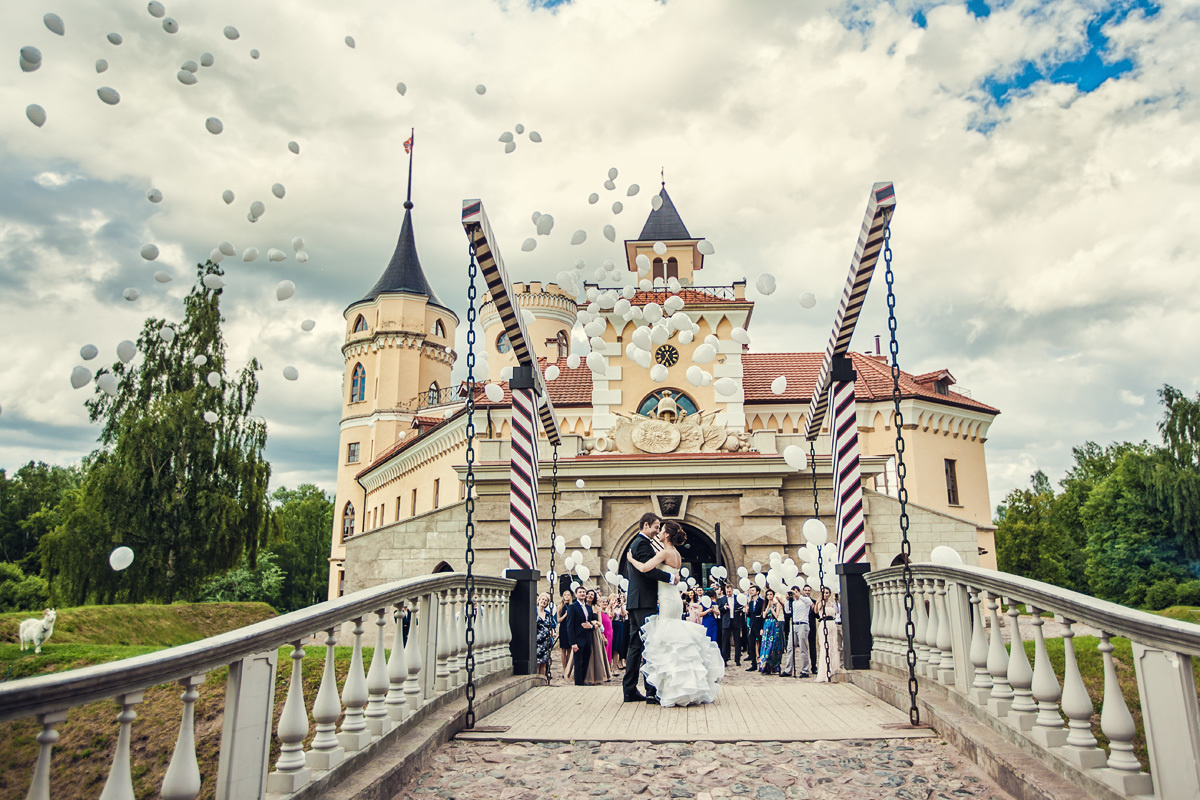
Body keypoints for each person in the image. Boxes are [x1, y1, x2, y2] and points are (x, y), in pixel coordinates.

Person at [626, 520, 724, 707]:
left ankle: (670, 688)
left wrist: (631, 560)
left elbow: (646, 568)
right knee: (676, 643)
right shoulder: (677, 554)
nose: (659, 532)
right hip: (674, 600)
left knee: (664, 643)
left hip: (667, 602)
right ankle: (680, 685)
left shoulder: (664, 552)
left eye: (661, 530)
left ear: (667, 535)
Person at [621, 512, 677, 704]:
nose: (656, 530)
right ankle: (651, 691)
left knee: (636, 646)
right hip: (644, 602)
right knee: (650, 645)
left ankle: (630, 690)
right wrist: (670, 578)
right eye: (655, 526)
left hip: (637, 601)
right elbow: (648, 570)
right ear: (646, 525)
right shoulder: (642, 544)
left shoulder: (637, 543)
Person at [565, 586, 596, 686]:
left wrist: (590, 626)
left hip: (587, 638)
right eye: (580, 592)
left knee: (586, 659)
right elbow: (570, 626)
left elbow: (590, 623)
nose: (582, 594)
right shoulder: (572, 607)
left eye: (584, 592)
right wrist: (573, 642)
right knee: (578, 661)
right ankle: (578, 683)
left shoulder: (588, 608)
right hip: (578, 638)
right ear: (576, 594)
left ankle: (583, 680)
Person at [780, 586, 812, 678]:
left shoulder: (804, 600)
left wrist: (799, 596)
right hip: (794, 624)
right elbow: (787, 611)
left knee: (803, 648)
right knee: (790, 647)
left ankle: (805, 670)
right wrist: (787, 600)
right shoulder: (792, 602)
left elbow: (809, 603)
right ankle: (788, 669)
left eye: (796, 592)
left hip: (803, 624)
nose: (794, 594)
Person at [814, 586, 842, 683]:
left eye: (827, 593)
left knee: (833, 646)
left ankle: (834, 668)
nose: (826, 594)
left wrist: (836, 600)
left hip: (832, 625)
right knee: (825, 647)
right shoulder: (822, 603)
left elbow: (838, 612)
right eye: (824, 592)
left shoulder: (832, 604)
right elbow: (816, 611)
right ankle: (825, 671)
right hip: (824, 624)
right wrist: (819, 601)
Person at [585, 589, 611, 685]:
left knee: (596, 654)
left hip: (595, 633)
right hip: (585, 632)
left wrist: (596, 623)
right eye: (588, 594)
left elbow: (600, 622)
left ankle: (596, 676)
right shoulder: (583, 607)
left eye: (592, 595)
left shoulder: (597, 609)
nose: (590, 596)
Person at [758, 588, 786, 675]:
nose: (769, 596)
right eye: (768, 595)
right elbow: (764, 615)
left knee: (774, 644)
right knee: (766, 645)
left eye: (771, 594)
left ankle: (774, 665)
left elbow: (776, 615)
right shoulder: (765, 604)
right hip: (767, 625)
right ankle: (764, 665)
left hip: (774, 624)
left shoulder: (776, 604)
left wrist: (771, 607)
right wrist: (767, 607)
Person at [535, 592, 556, 679]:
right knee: (537, 663)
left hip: (545, 641)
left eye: (546, 600)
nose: (544, 601)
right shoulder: (534, 612)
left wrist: (553, 632)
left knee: (544, 662)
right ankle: (536, 680)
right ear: (539, 600)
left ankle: (542, 681)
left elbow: (552, 626)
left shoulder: (548, 614)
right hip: (536, 641)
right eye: (542, 599)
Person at [716, 585, 739, 665]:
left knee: (737, 641)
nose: (728, 593)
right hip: (726, 622)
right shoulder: (722, 599)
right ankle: (725, 659)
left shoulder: (737, 598)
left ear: (732, 590)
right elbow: (719, 610)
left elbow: (740, 608)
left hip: (735, 621)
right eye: (727, 591)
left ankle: (737, 659)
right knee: (725, 641)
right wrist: (724, 608)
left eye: (730, 591)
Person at [744, 585, 764, 671]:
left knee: (760, 645)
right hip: (752, 626)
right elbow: (750, 615)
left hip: (759, 625)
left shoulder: (762, 602)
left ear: (757, 592)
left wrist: (762, 628)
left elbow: (763, 616)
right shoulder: (751, 603)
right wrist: (746, 611)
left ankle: (761, 663)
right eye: (750, 590)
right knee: (751, 646)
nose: (751, 592)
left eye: (753, 590)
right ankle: (753, 664)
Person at [557, 589, 573, 680]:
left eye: (568, 595)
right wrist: (565, 615)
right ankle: (564, 668)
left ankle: (568, 668)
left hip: (569, 628)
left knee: (569, 649)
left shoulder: (572, 606)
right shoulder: (560, 606)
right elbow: (558, 620)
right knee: (563, 649)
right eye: (565, 595)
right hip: (563, 628)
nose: (567, 596)